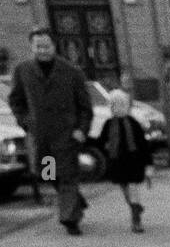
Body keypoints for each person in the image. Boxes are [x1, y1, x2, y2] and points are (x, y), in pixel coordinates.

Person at [7, 27, 93, 235]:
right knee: (50, 174)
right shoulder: (23, 70)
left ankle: (70, 220)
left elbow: (85, 107)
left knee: (67, 176)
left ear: (54, 46)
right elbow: (16, 101)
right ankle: (75, 200)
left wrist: (81, 129)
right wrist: (26, 122)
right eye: (38, 46)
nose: (42, 50)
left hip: (66, 136)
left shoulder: (72, 72)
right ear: (32, 47)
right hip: (42, 136)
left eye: (46, 46)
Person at [96, 88, 151, 233]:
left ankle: (136, 220)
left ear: (127, 106)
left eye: (121, 104)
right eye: (114, 105)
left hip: (134, 161)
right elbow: (101, 142)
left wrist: (149, 164)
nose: (118, 108)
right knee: (125, 189)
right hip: (117, 162)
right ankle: (136, 207)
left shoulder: (133, 123)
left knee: (133, 188)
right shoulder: (108, 124)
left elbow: (144, 145)